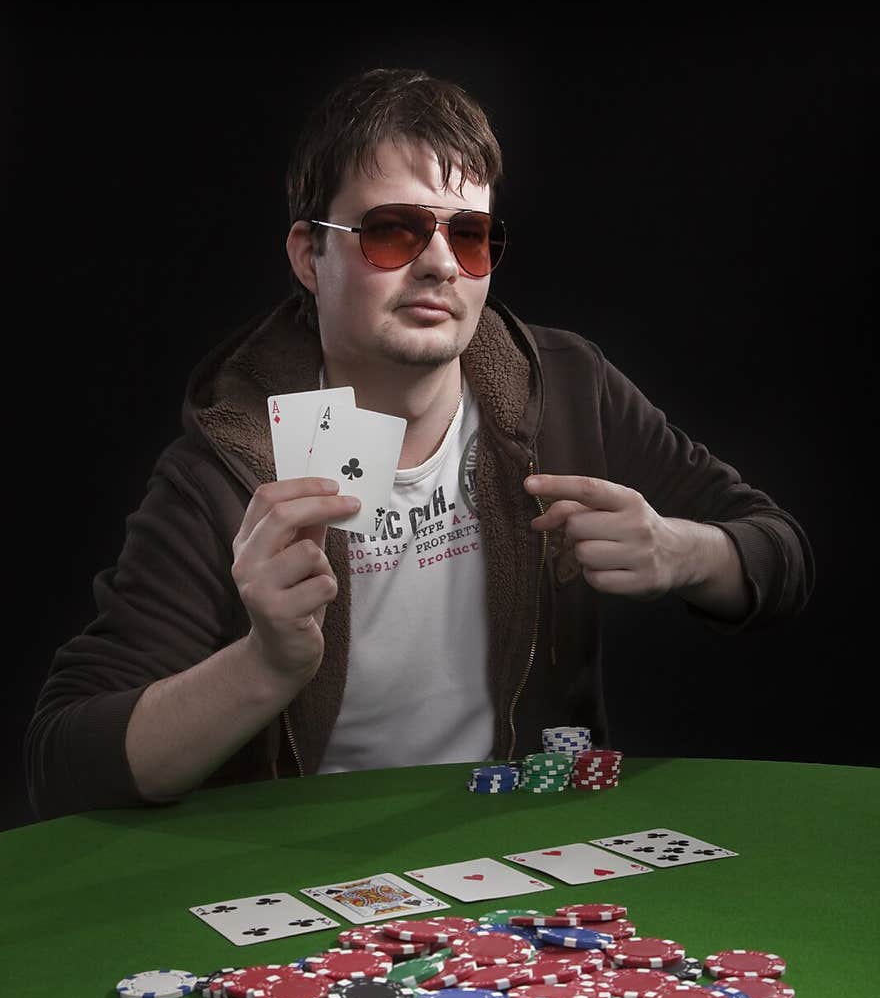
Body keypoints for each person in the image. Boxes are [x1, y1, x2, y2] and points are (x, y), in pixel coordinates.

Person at [24, 67, 814, 819]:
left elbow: (781, 557)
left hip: (519, 851)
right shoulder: (227, 468)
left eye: (469, 236)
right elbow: (65, 765)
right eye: (393, 231)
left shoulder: (568, 388)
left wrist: (684, 553)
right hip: (303, 881)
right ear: (310, 255)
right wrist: (264, 665)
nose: (440, 263)